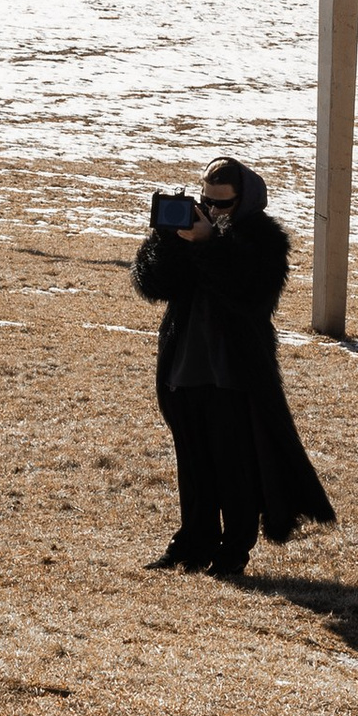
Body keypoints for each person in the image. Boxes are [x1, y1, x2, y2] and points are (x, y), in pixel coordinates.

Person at [130, 158, 333, 580]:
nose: (214, 210)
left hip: (234, 375)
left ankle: (232, 551)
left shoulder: (262, 238)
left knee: (234, 467)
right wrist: (168, 241)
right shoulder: (193, 227)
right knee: (193, 463)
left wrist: (210, 244)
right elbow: (152, 284)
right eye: (207, 200)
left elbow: (253, 296)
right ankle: (192, 542)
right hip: (185, 367)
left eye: (223, 204)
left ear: (244, 200)